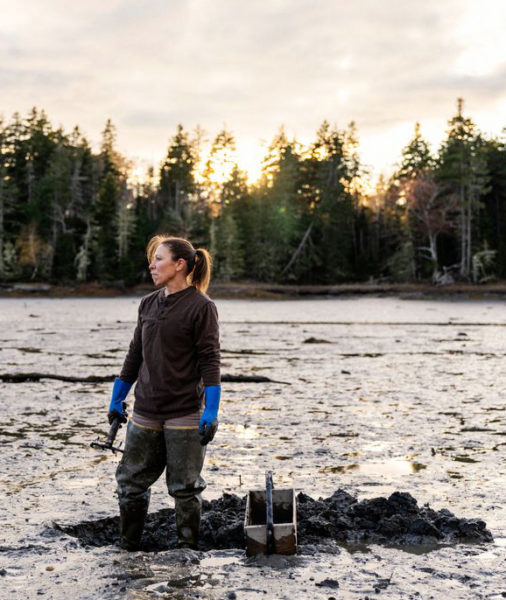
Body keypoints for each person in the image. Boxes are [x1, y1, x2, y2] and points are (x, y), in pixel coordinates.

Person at [107, 235, 221, 551]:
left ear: (179, 264)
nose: (152, 264)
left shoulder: (202, 307)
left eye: (159, 259)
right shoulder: (147, 303)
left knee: (185, 488)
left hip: (185, 412)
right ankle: (127, 546)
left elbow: (210, 359)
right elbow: (134, 354)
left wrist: (211, 411)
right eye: (153, 258)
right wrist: (117, 398)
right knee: (130, 484)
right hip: (145, 410)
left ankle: (187, 550)